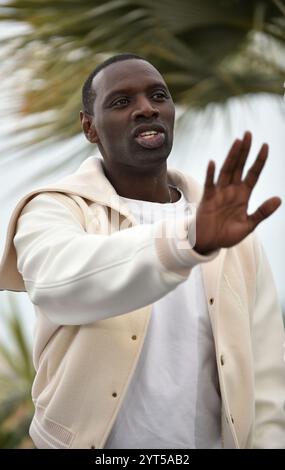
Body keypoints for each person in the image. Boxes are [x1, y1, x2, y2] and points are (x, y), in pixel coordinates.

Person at [0, 53, 284, 449]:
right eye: (121, 102)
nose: (145, 109)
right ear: (89, 127)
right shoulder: (54, 208)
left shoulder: (224, 224)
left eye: (158, 96)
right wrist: (187, 242)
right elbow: (58, 282)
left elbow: (267, 369)